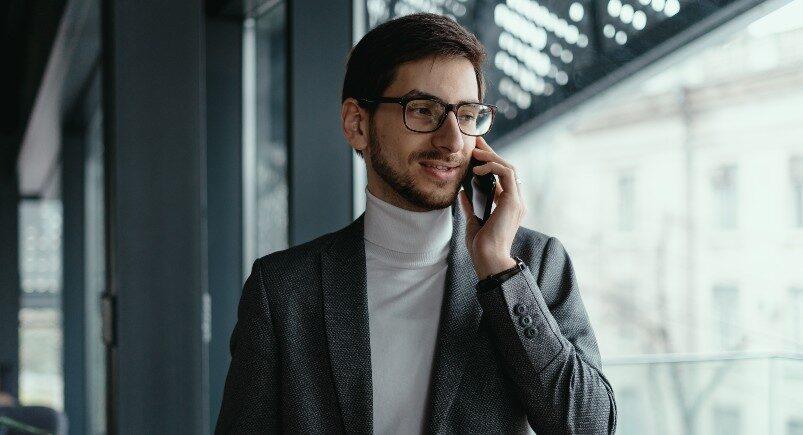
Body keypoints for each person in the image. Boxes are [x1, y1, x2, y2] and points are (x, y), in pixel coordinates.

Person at [216, 12, 617, 434]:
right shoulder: (282, 290)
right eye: (422, 110)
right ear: (357, 124)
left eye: (466, 114)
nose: (451, 141)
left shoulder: (533, 266)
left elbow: (590, 427)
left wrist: (498, 270)